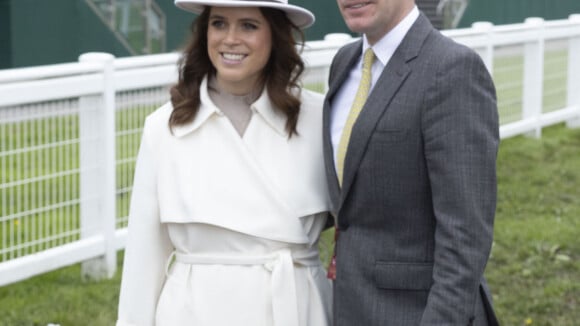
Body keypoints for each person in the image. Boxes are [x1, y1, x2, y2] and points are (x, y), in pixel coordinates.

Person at [116, 1, 332, 325]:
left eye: (248, 25)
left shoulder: (319, 119)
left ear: (276, 35)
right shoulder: (164, 128)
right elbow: (143, 262)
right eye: (218, 23)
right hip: (194, 313)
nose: (230, 39)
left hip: (295, 308)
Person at [323, 0, 500, 325]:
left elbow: (465, 236)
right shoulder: (344, 63)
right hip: (349, 306)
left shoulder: (453, 68)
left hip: (418, 312)